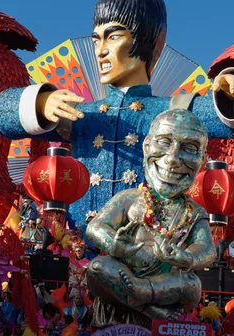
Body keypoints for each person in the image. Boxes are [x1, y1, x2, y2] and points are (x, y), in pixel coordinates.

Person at [0, 0, 234, 227]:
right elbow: (1, 116)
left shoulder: (176, 110)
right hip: (78, 251)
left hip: (149, 257)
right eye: (96, 39)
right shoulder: (79, 114)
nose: (99, 51)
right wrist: (41, 102)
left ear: (154, 42)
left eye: (113, 37)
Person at [85, 109, 217, 326]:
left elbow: (207, 248)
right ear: (147, 147)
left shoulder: (194, 212)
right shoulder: (129, 198)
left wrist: (186, 258)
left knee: (191, 285)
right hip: (122, 273)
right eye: (164, 142)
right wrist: (116, 247)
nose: (173, 159)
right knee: (98, 267)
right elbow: (95, 227)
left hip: (164, 283)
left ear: (202, 159)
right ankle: (145, 304)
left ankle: (141, 291)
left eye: (190, 148)